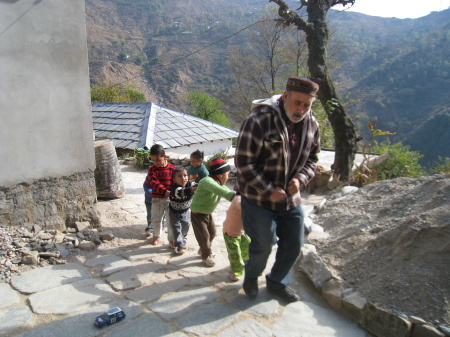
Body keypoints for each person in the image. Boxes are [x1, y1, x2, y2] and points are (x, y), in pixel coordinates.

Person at [234, 76, 321, 302]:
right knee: (263, 245)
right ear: (285, 97)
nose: (301, 109)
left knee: (294, 244)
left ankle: (276, 281)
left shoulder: (312, 124)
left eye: (306, 104)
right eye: (297, 102)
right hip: (258, 199)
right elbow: (244, 162)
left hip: (291, 199)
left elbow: (313, 159)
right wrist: (269, 189)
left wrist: (300, 179)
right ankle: (251, 277)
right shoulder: (259, 120)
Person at [190, 157, 235, 267]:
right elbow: (220, 190)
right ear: (220, 174)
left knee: (212, 232)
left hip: (207, 213)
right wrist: (232, 196)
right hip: (197, 214)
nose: (228, 178)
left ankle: (203, 248)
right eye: (227, 174)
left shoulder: (219, 183)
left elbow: (225, 190)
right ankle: (206, 255)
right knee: (204, 236)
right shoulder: (207, 181)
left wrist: (236, 195)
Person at [146, 144, 175, 246]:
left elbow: (176, 182)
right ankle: (156, 236)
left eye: (158, 160)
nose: (155, 163)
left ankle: (172, 239)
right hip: (157, 199)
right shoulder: (152, 169)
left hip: (170, 200)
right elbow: (154, 183)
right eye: (153, 160)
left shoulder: (172, 169)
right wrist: (165, 192)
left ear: (165, 157)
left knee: (171, 221)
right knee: (156, 219)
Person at [169, 167, 197, 254]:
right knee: (177, 228)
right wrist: (193, 190)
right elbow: (182, 192)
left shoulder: (190, 184)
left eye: (185, 175)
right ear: (174, 180)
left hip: (185, 211)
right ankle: (179, 244)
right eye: (179, 176)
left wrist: (201, 185)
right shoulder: (175, 189)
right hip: (174, 212)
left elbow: (196, 185)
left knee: (187, 224)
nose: (183, 178)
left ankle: (183, 237)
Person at [222, 194, 251, 282]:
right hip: (231, 232)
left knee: (246, 247)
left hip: (243, 231)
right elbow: (242, 206)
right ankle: (236, 271)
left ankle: (245, 263)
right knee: (235, 254)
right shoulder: (238, 198)